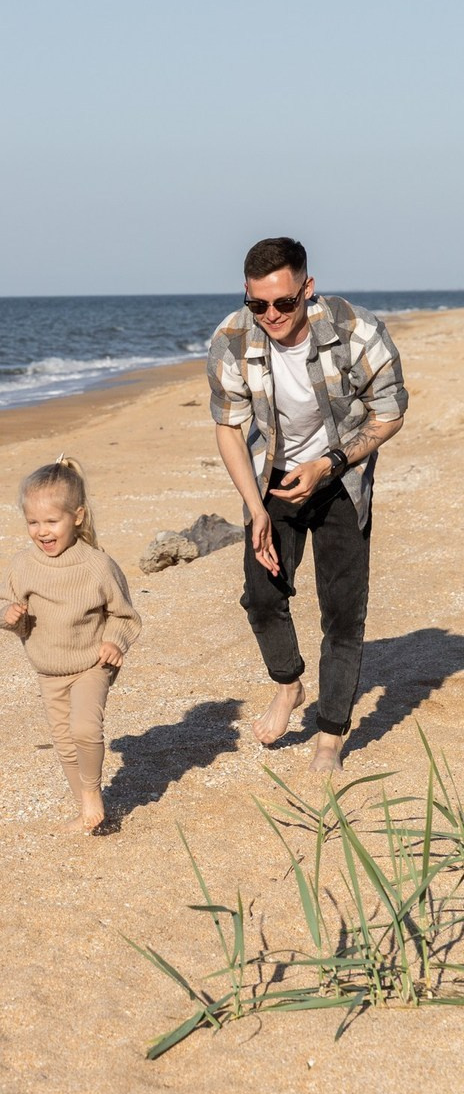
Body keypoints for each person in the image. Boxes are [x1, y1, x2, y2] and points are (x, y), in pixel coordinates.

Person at [207, 236, 407, 777]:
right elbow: (228, 427)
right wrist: (256, 509)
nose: (271, 315)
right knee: (260, 593)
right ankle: (289, 684)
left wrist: (329, 464)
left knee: (342, 613)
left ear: (307, 288)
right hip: (273, 476)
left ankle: (329, 736)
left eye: (284, 302)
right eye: (258, 304)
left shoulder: (357, 331)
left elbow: (389, 414)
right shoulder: (232, 337)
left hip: (343, 478)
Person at [0, 456, 142, 834]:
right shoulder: (24, 565)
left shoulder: (96, 565)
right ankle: (87, 810)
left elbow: (125, 615)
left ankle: (92, 798)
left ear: (77, 516)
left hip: (92, 663)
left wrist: (114, 642)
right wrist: (9, 614)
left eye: (50, 521)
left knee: (85, 730)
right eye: (33, 522)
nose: (41, 531)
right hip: (48, 669)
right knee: (64, 742)